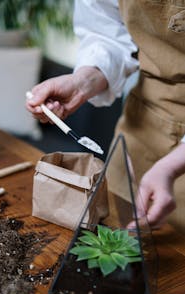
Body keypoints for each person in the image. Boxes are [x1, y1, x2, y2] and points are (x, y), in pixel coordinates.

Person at [26, 0, 185, 231]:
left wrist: (170, 167)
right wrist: (81, 83)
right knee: (115, 235)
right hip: (144, 122)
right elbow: (107, 34)